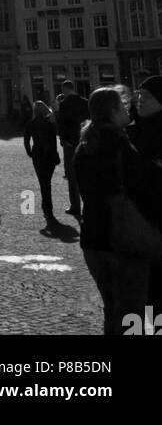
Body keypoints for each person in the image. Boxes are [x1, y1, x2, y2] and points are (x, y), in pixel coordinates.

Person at [74, 85, 162, 336]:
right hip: (122, 238)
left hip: (93, 237)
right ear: (113, 111)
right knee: (131, 314)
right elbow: (144, 184)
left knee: (112, 310)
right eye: (123, 106)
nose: (129, 109)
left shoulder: (85, 143)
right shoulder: (118, 142)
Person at [128, 75, 162, 319]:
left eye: (147, 95)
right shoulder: (131, 131)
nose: (140, 99)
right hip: (137, 222)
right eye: (138, 94)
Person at [55, 80, 89, 218]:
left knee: (72, 175)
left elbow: (61, 124)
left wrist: (63, 140)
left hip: (70, 142)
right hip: (83, 140)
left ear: (64, 89)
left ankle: (75, 206)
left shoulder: (64, 104)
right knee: (85, 173)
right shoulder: (85, 102)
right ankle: (88, 203)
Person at [23, 100, 60, 222]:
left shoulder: (31, 123)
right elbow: (53, 141)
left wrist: (29, 152)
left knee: (43, 183)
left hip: (37, 155)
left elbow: (26, 139)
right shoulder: (49, 124)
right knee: (47, 182)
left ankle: (47, 209)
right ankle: (48, 209)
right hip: (49, 156)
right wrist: (55, 155)